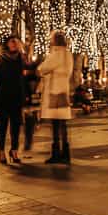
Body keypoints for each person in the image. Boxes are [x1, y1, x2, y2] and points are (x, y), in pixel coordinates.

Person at [0, 36, 27, 164]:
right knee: (3, 124)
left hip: (17, 95)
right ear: (7, 44)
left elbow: (26, 72)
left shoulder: (21, 57)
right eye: (12, 41)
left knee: (16, 125)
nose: (15, 44)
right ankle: (1, 151)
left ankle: (14, 151)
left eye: (16, 42)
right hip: (3, 95)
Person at [37, 30, 74, 164]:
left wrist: (42, 68)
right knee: (62, 123)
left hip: (54, 91)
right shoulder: (68, 54)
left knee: (55, 124)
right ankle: (65, 152)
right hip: (63, 91)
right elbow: (68, 72)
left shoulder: (56, 54)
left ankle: (57, 153)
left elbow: (43, 68)